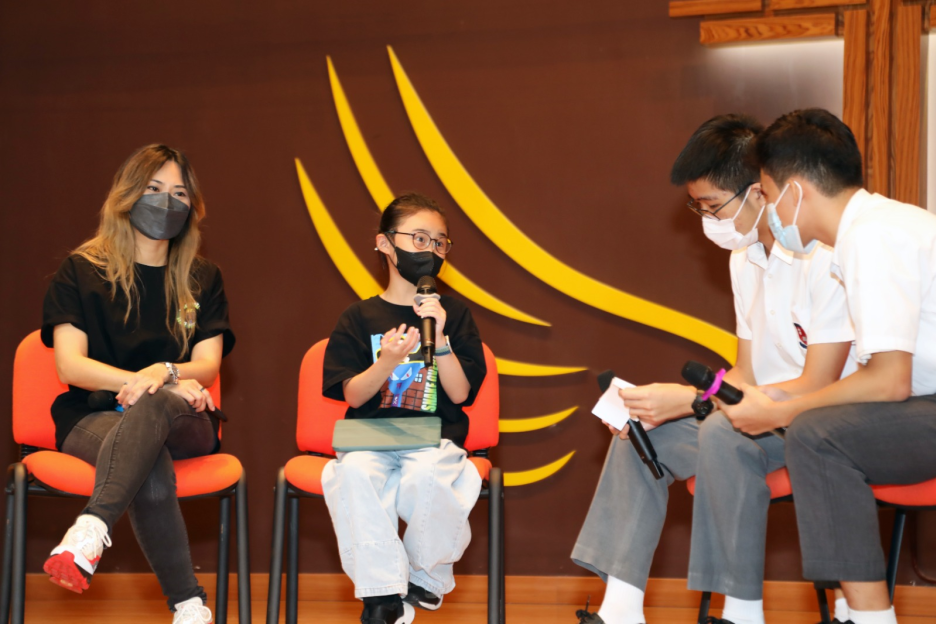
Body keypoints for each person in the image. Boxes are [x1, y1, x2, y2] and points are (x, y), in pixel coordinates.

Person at [571, 114, 857, 624]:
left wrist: (690, 400)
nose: (706, 219)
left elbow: (819, 384)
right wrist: (673, 403)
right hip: (756, 417)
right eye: (697, 207)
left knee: (723, 433)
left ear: (760, 191)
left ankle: (741, 612)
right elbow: (745, 373)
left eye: (712, 205)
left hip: (817, 423)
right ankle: (620, 611)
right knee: (640, 432)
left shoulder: (824, 257)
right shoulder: (743, 259)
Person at [720, 108, 936, 624]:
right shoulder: (881, 223)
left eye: (767, 195)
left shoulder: (871, 236)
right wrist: (789, 400)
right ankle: (854, 610)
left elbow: (889, 381)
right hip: (923, 403)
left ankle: (868, 616)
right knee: (817, 426)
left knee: (817, 436)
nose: (769, 212)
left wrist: (782, 411)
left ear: (794, 192)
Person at [41, 144, 235, 624]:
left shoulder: (203, 277)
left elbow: (208, 366)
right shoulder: (80, 270)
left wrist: (165, 374)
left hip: (185, 418)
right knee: (148, 462)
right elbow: (70, 366)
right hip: (93, 415)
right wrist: (145, 379)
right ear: (127, 195)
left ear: (193, 207)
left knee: (155, 405)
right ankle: (190, 607)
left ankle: (91, 527)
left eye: (179, 193)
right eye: (153, 188)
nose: (167, 202)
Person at [320, 192, 487, 624]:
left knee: (429, 476)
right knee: (352, 475)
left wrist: (442, 339)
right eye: (419, 238)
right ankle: (381, 594)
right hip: (370, 439)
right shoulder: (357, 318)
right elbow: (353, 396)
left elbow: (460, 394)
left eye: (439, 241)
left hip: (433, 438)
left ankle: (423, 578)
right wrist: (387, 361)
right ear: (385, 243)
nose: (430, 249)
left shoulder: (454, 314)